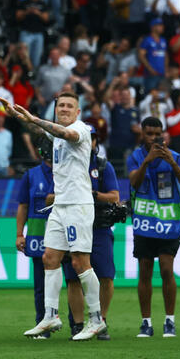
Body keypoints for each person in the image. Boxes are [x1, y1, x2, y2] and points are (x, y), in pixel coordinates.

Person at [0, 93, 105, 341]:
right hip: (60, 204)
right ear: (55, 109)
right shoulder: (54, 133)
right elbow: (42, 130)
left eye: (70, 106)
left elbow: (64, 134)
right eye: (61, 106)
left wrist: (35, 119)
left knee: (80, 262)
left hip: (78, 205)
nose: (65, 109)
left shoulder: (80, 129)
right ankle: (50, 315)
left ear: (78, 111)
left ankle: (97, 319)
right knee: (50, 258)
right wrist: (17, 116)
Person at [127, 116, 180, 338]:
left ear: (163, 134)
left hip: (168, 222)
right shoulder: (135, 157)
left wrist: (171, 163)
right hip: (144, 222)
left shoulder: (175, 156)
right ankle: (146, 322)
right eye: (149, 133)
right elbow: (133, 183)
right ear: (142, 134)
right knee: (144, 271)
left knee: (166, 269)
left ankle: (169, 321)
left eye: (157, 133)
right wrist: (147, 161)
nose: (153, 138)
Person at [63, 129, 121, 339]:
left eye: (93, 137)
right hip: (73, 225)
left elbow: (115, 196)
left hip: (99, 227)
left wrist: (92, 194)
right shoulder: (65, 164)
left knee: (106, 276)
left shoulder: (103, 166)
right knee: (73, 279)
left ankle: (101, 321)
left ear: (94, 141)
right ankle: (78, 325)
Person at [16, 146, 53, 335]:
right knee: (41, 285)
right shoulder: (31, 175)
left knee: (73, 282)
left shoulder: (70, 171)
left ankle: (76, 325)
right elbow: (23, 206)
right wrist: (19, 234)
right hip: (39, 236)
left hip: (64, 234)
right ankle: (42, 325)